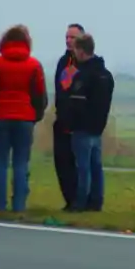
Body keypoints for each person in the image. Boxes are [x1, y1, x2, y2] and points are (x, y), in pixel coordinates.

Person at [0, 24, 47, 212]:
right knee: (20, 163)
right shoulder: (34, 65)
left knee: (0, 162)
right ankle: (19, 206)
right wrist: (36, 114)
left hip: (0, 116)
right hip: (25, 118)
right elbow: (40, 93)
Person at [65, 33, 114, 212]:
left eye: (76, 50)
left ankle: (80, 202)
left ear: (81, 51)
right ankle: (96, 201)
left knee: (82, 167)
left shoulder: (82, 75)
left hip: (82, 129)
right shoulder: (106, 75)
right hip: (98, 128)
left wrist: (70, 122)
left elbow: (75, 102)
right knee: (96, 167)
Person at [52, 23, 84, 211]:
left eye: (72, 37)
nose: (68, 41)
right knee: (61, 161)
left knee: (78, 163)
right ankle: (69, 199)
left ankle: (79, 200)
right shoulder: (63, 62)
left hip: (78, 122)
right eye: (67, 37)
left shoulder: (85, 63)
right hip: (62, 119)